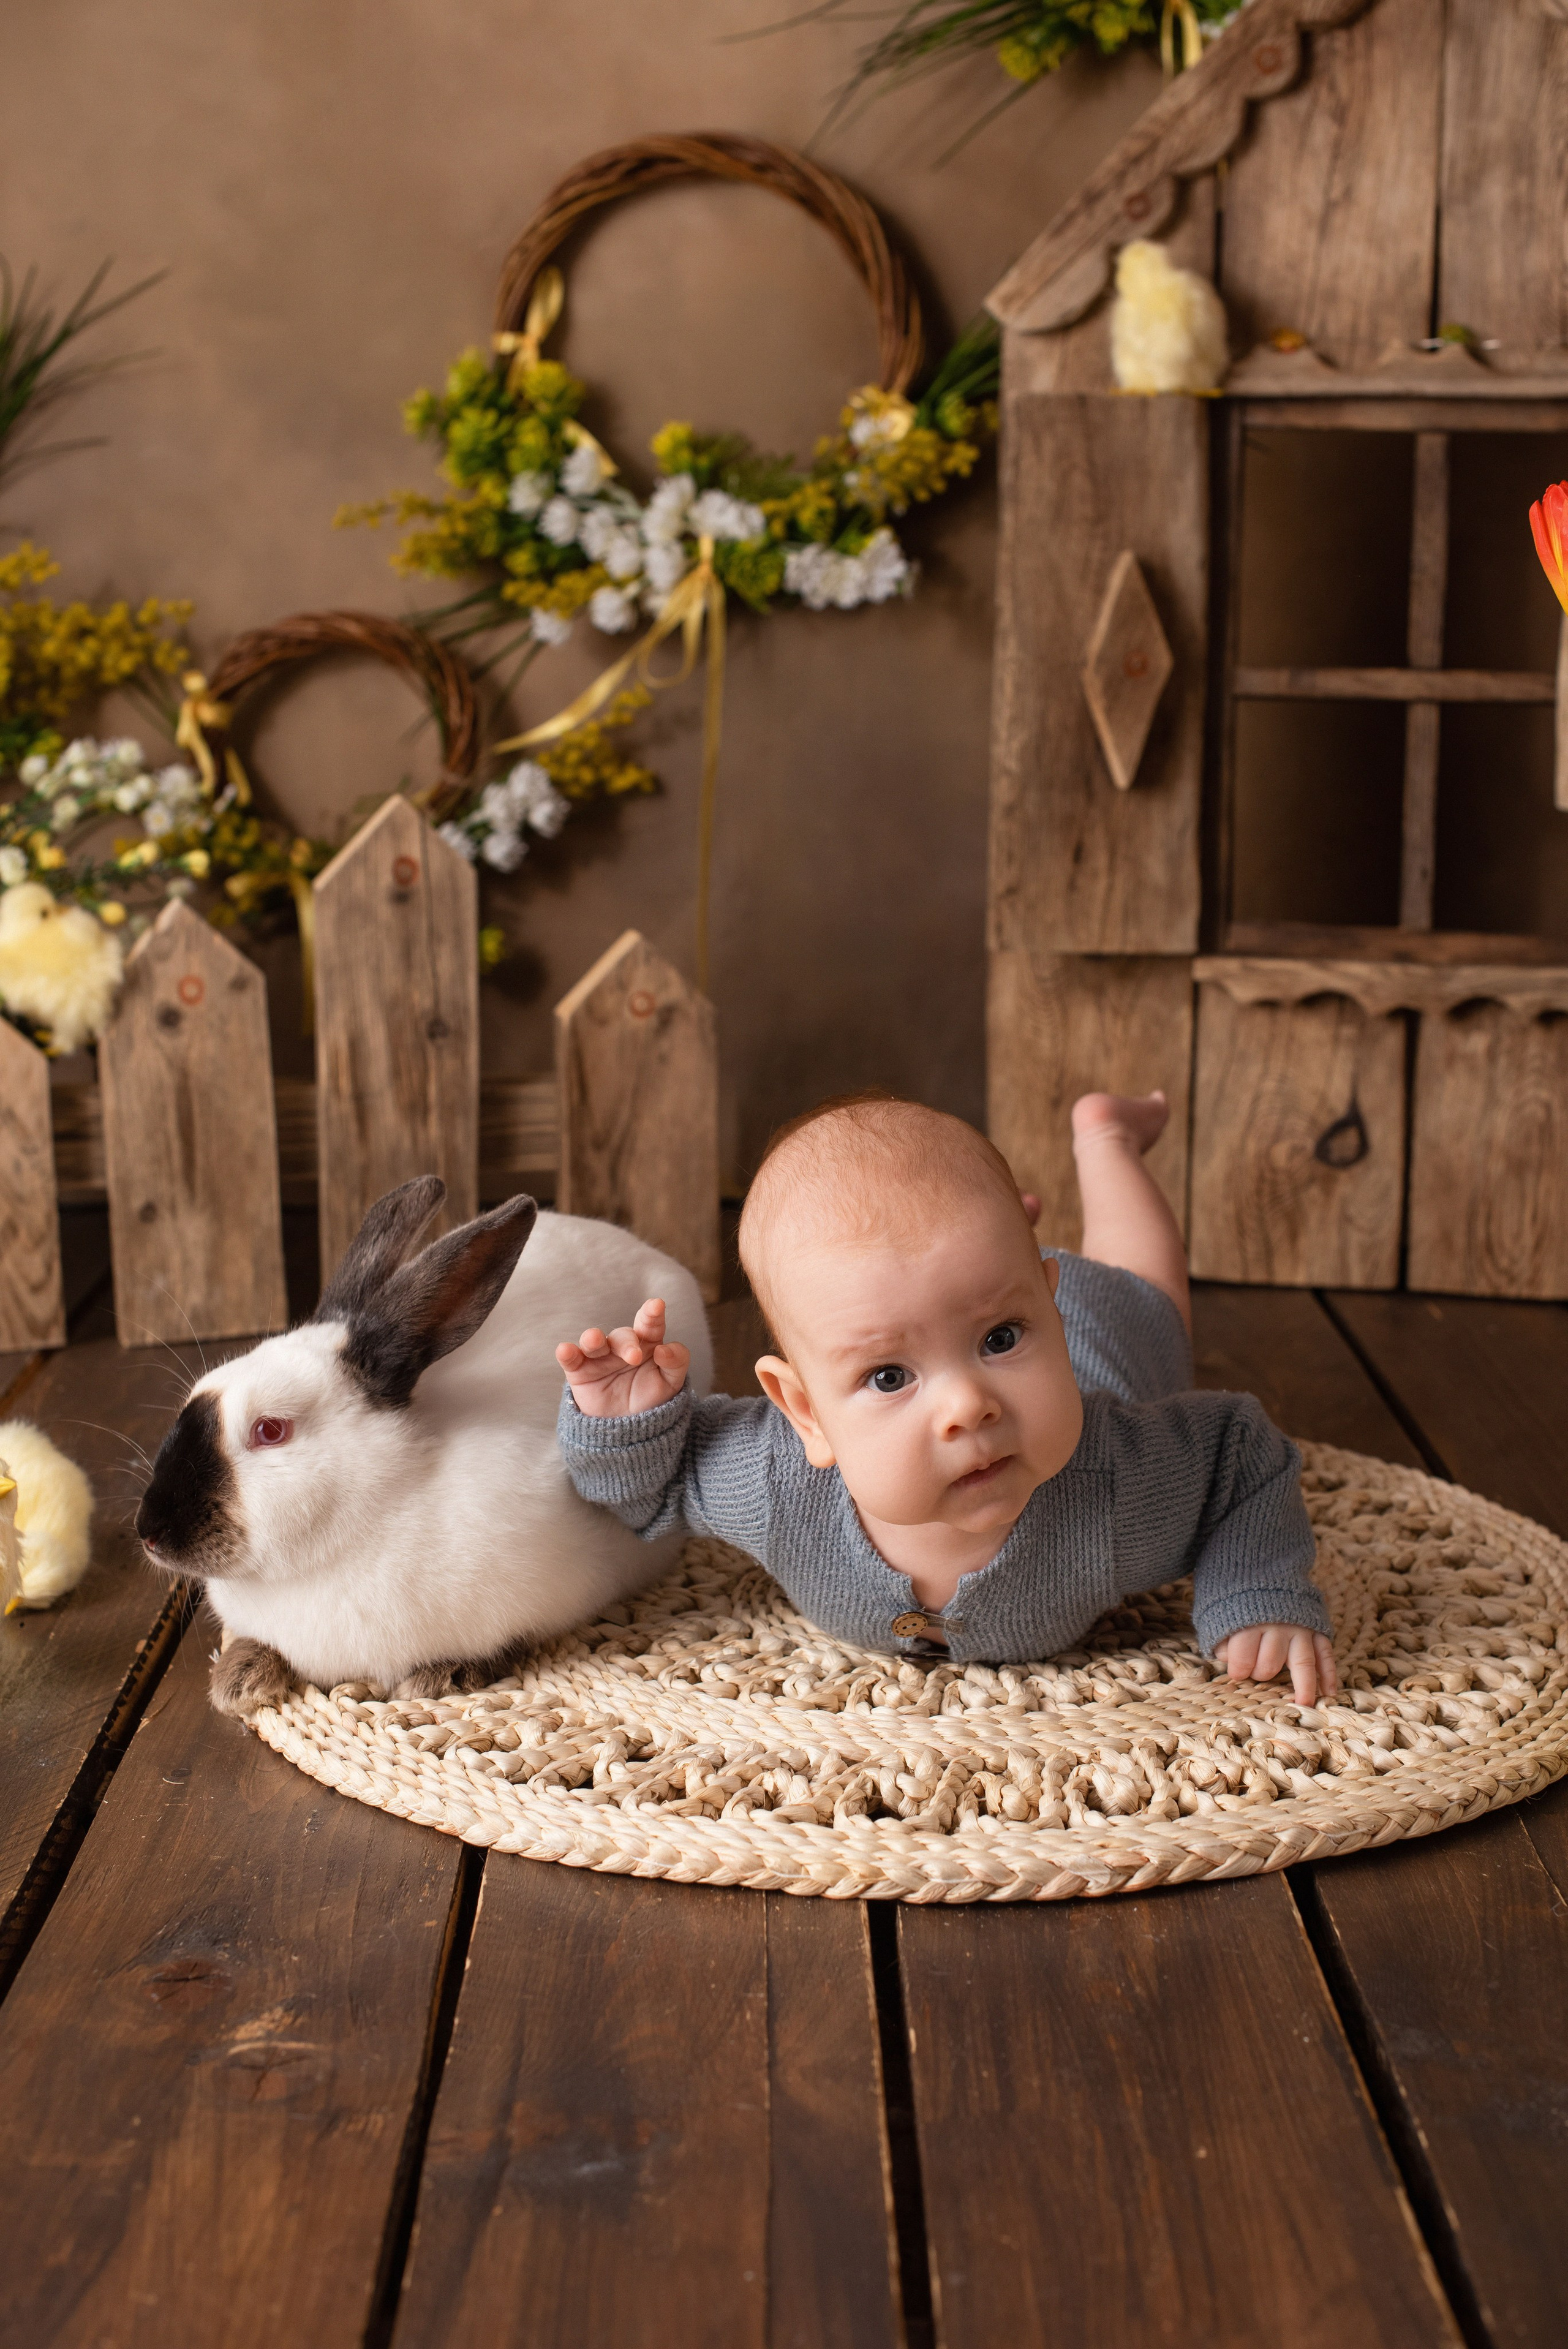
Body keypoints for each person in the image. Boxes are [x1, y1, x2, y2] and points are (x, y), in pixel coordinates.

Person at [554, 1090, 1337, 1705]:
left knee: (1148, 1285)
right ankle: (1002, 1269)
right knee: (959, 1283)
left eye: (1002, 1340)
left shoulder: (1128, 1482)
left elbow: (1243, 1455)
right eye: (889, 1377)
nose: (969, 1405)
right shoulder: (771, 1478)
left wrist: (1256, 1591)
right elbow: (648, 1494)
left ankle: (1107, 1142)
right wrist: (628, 1422)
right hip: (997, 1283)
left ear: (1046, 1313)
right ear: (804, 1414)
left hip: (1111, 1331)